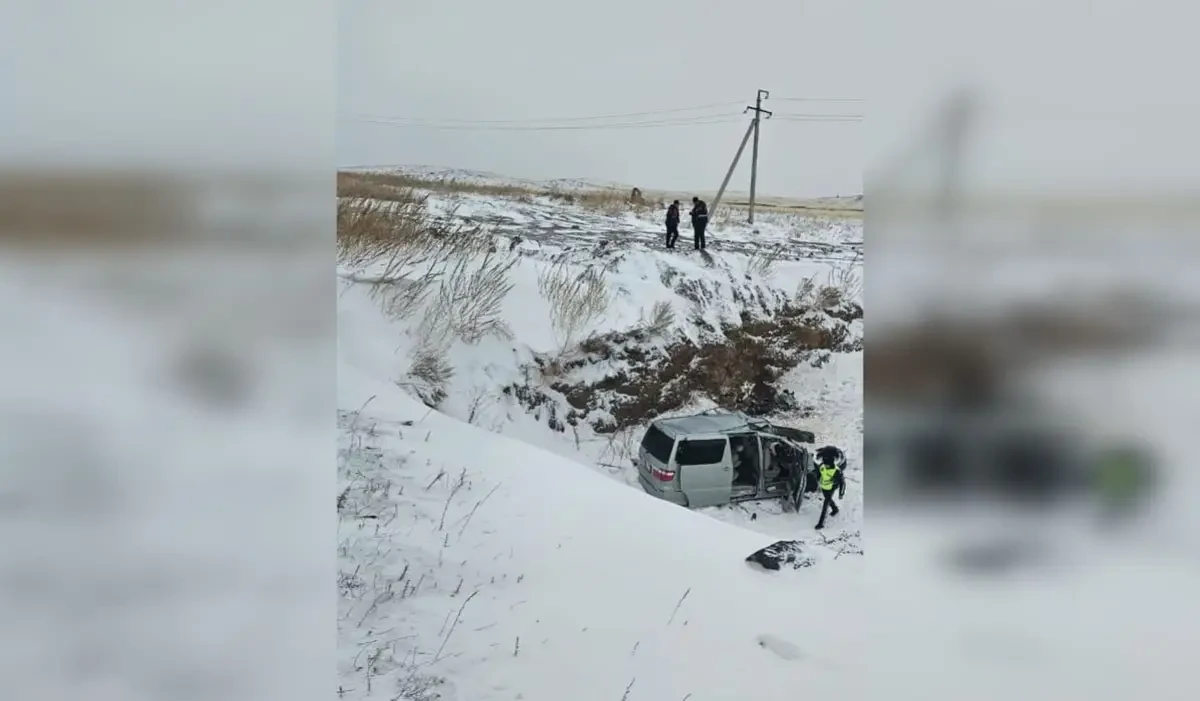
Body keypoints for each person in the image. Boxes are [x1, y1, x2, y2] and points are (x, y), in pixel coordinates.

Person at [814, 447, 846, 530]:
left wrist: (841, 494)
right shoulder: (822, 466)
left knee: (825, 504)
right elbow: (819, 473)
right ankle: (835, 509)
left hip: (832, 487)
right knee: (827, 499)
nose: (826, 466)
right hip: (824, 487)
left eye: (828, 465)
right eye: (825, 464)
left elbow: (842, 482)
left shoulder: (837, 471)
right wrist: (818, 480)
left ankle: (820, 523)